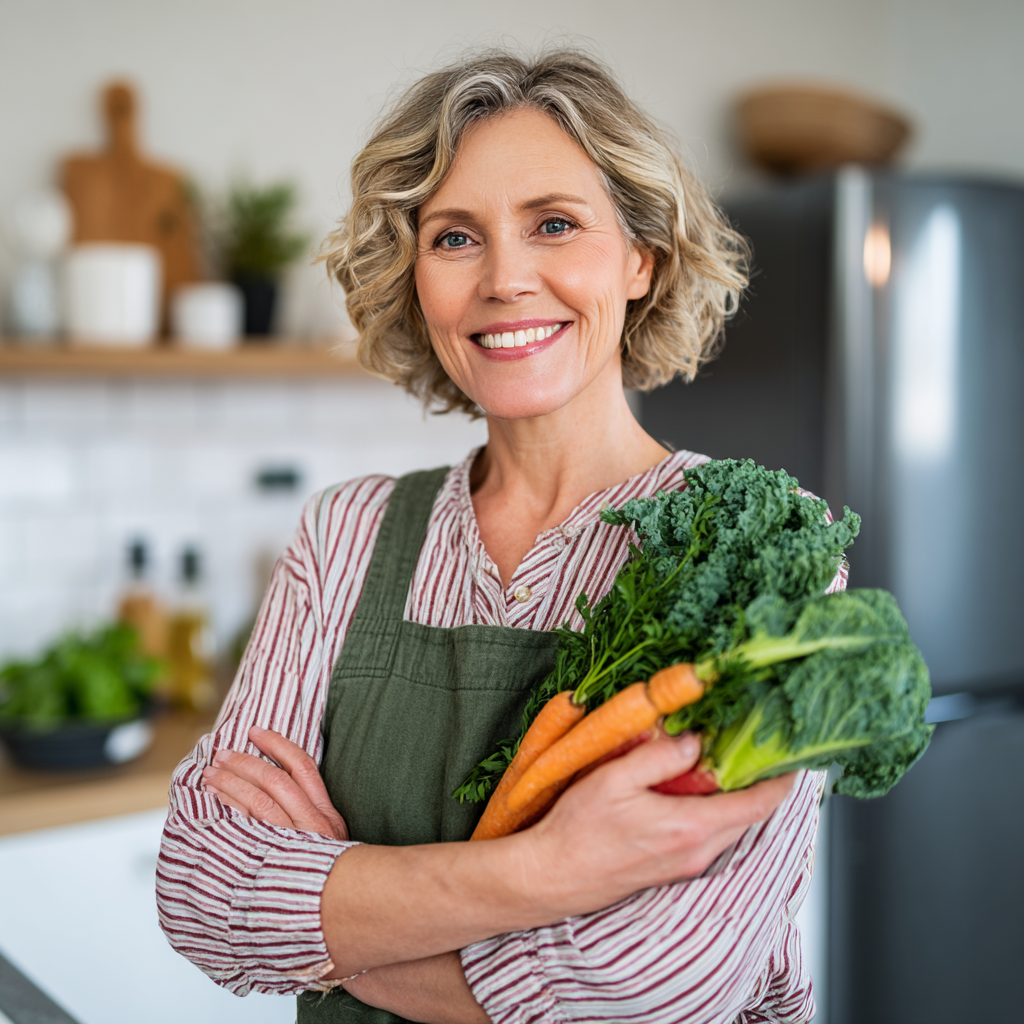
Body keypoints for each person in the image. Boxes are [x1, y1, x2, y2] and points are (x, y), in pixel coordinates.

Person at [157, 49, 840, 1024]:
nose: (505, 279)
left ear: (640, 256)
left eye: (554, 224)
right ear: (415, 277)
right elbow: (203, 893)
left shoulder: (763, 550)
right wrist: (546, 870)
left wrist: (334, 924)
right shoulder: (345, 532)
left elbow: (650, 987)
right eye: (454, 238)